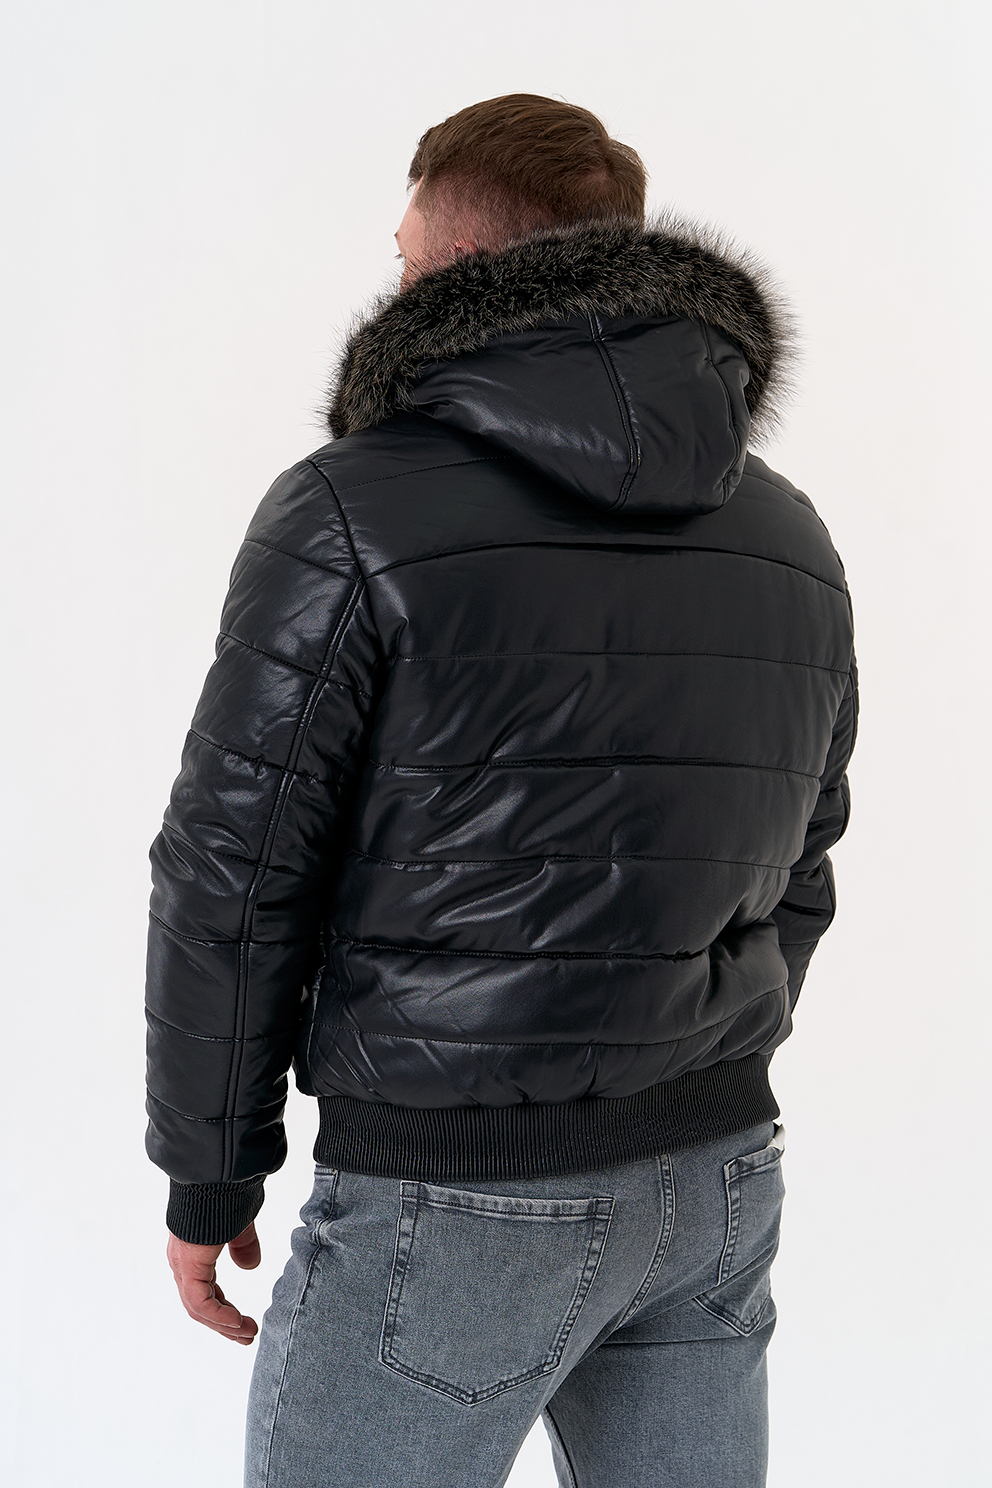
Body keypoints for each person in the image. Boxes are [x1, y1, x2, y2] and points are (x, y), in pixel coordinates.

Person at [145, 93, 858, 1488]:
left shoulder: (349, 507)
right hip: (712, 1175)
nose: (393, 275)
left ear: (457, 269)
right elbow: (806, 853)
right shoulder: (787, 533)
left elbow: (233, 866)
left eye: (405, 254)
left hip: (451, 1187)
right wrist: (691, 1049)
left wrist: (209, 1169)